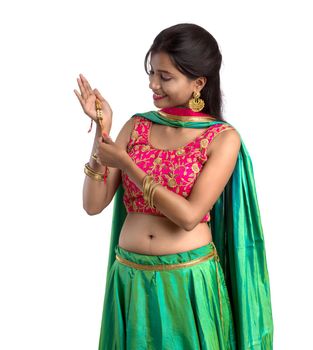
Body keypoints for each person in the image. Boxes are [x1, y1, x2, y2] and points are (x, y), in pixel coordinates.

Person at [74, 23, 274, 350]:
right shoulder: (137, 125)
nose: (153, 84)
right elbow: (93, 204)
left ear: (198, 83)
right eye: (152, 73)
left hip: (188, 283)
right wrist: (102, 129)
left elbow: (189, 216)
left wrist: (128, 164)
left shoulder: (222, 138)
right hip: (130, 280)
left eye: (165, 77)